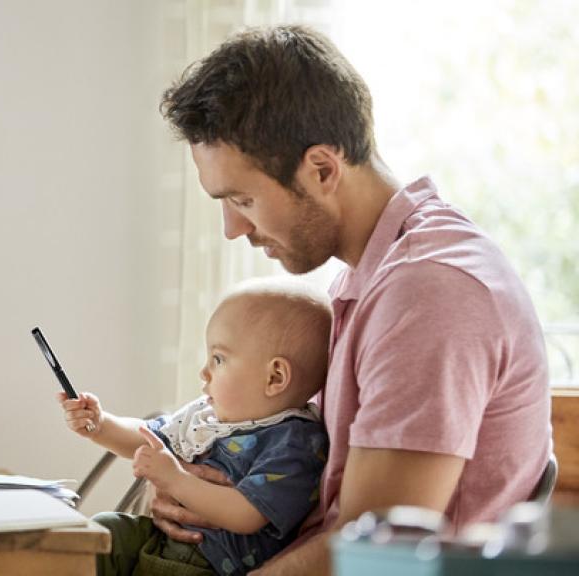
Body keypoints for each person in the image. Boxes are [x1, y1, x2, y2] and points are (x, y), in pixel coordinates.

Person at [153, 25, 552, 575]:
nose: (231, 229)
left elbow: (373, 559)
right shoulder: (370, 279)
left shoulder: (429, 292)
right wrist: (201, 496)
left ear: (321, 169)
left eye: (243, 198)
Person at [61, 278, 332, 575]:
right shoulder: (208, 414)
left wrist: (175, 480)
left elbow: (247, 514)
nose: (204, 372)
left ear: (275, 378)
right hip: (162, 540)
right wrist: (100, 425)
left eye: (219, 358)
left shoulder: (296, 441)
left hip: (210, 564)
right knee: (103, 531)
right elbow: (148, 437)